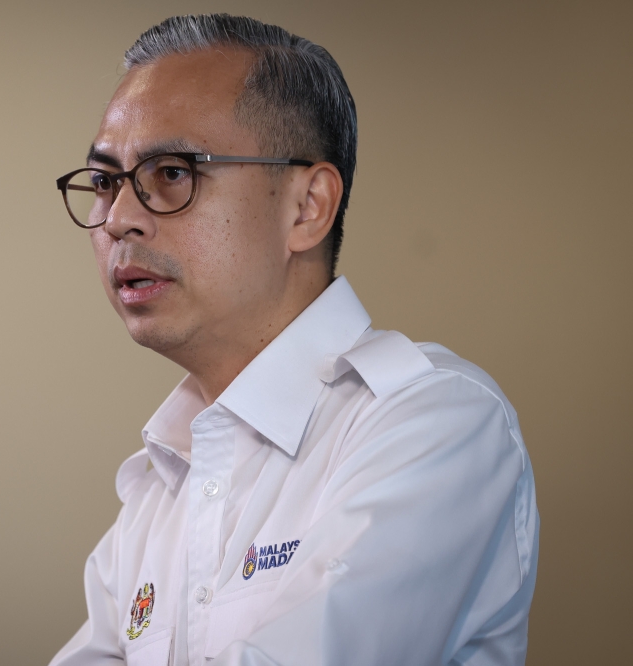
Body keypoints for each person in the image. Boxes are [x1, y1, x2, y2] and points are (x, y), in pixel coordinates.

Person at [49, 14, 538, 666]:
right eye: (106, 181)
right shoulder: (157, 488)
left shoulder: (433, 419)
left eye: (171, 172)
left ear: (308, 207)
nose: (118, 219)